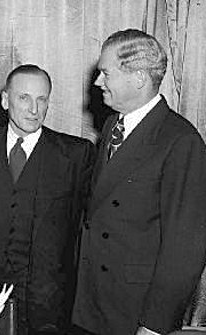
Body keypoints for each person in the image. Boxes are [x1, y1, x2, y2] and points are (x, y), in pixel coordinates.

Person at [72, 29, 206, 335]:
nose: (98, 82)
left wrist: (154, 324)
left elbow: (185, 249)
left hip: (134, 310)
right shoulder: (112, 125)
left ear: (139, 78)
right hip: (95, 301)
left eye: (106, 73)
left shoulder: (181, 141)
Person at [0, 64, 94, 335]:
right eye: (24, 98)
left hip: (48, 304)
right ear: (5, 100)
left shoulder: (76, 155)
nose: (34, 109)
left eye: (41, 99)